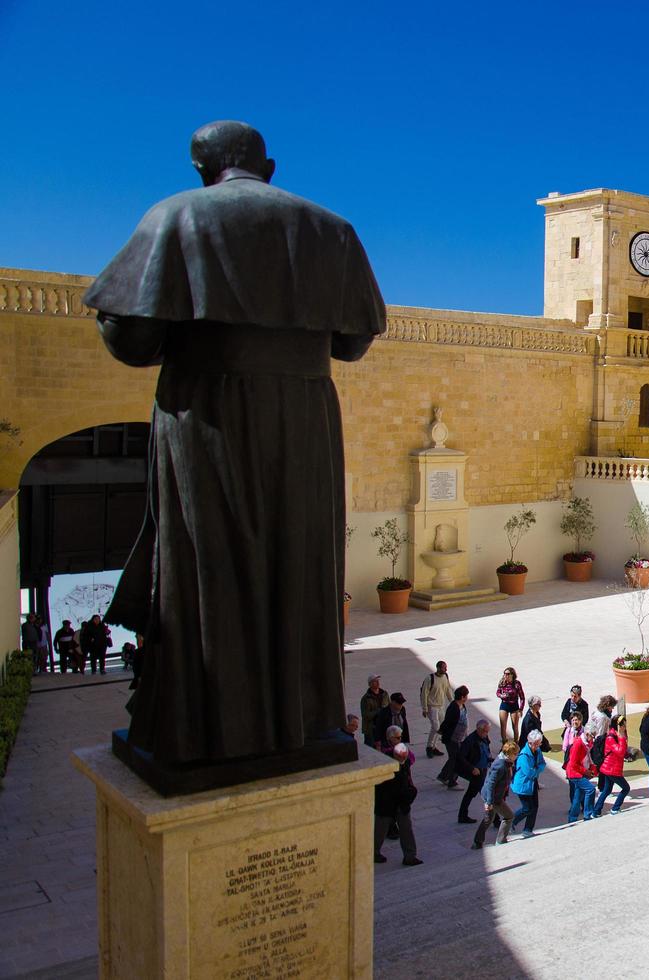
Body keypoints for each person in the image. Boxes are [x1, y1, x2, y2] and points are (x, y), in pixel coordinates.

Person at [86, 121, 385, 773]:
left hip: (206, 414)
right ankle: (303, 721)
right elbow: (352, 342)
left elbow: (133, 343)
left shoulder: (175, 218)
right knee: (298, 557)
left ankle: (203, 730)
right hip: (305, 416)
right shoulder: (331, 229)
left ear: (202, 171)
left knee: (207, 558)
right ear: (268, 167)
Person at [373, 742, 422, 866]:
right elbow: (389, 788)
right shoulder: (386, 766)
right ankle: (373, 852)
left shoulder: (403, 762)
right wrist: (411, 793)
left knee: (406, 829)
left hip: (400, 804)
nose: (404, 759)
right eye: (402, 757)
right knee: (381, 829)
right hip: (387, 804)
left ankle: (410, 856)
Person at [473, 739, 518, 848]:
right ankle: (501, 839)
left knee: (488, 819)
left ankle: (477, 841)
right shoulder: (500, 765)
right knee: (509, 816)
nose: (517, 756)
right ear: (510, 754)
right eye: (515, 754)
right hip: (493, 797)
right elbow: (491, 784)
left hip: (495, 796)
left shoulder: (505, 761)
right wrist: (489, 802)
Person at [510, 730, 547, 839]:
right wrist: (537, 769)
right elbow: (529, 773)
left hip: (532, 783)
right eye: (535, 744)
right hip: (523, 785)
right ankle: (511, 821)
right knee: (526, 808)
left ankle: (528, 829)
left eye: (538, 743)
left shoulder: (538, 751)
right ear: (529, 742)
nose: (537, 746)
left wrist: (536, 769)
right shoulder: (523, 756)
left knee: (534, 806)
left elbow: (542, 764)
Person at [456, 719, 493, 823]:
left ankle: (462, 815)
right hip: (476, 772)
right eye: (485, 731)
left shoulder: (484, 737)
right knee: (484, 794)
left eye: (487, 731)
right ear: (479, 729)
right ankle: (495, 819)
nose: (486, 734)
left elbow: (486, 749)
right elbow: (460, 757)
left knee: (473, 793)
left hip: (483, 769)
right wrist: (472, 768)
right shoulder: (470, 741)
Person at [563, 712, 598, 822]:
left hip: (580, 772)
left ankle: (572, 818)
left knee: (578, 796)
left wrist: (592, 770)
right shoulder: (578, 744)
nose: (593, 739)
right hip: (574, 773)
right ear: (587, 734)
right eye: (592, 736)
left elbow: (589, 758)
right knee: (590, 789)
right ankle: (588, 814)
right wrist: (586, 772)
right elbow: (573, 764)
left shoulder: (587, 742)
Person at [594, 715, 631, 816]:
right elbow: (620, 751)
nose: (625, 726)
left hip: (610, 768)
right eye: (623, 724)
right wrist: (622, 737)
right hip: (611, 769)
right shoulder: (611, 737)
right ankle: (615, 808)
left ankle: (596, 811)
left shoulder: (616, 735)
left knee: (606, 790)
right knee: (626, 788)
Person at [418, 661, 454, 757]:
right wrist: (424, 708)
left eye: (446, 667)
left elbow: (447, 690)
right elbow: (424, 694)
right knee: (436, 727)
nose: (446, 669)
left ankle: (433, 747)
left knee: (441, 727)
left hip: (441, 706)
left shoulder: (445, 677)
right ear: (438, 668)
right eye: (444, 668)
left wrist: (453, 702)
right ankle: (429, 747)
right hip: (432, 706)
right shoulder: (429, 679)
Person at [437, 686, 471, 787]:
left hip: (460, 738)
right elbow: (447, 722)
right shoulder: (453, 708)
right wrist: (442, 732)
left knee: (454, 758)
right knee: (456, 759)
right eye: (466, 696)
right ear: (462, 697)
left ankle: (443, 776)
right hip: (453, 739)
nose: (467, 698)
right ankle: (451, 781)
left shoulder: (462, 706)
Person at [495, 667, 526, 743]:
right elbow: (498, 692)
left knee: (515, 726)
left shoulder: (517, 684)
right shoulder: (502, 682)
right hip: (504, 704)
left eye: (508, 674)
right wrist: (502, 696)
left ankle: (516, 743)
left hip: (514, 706)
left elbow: (522, 697)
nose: (506, 675)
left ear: (512, 675)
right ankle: (504, 743)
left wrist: (521, 709)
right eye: (505, 674)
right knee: (503, 726)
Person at [359, 675, 390, 746]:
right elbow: (365, 715)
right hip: (371, 728)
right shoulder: (365, 698)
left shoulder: (385, 694)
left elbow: (389, 706)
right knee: (370, 748)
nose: (378, 682)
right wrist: (378, 711)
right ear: (370, 684)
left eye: (378, 680)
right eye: (375, 681)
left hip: (383, 726)